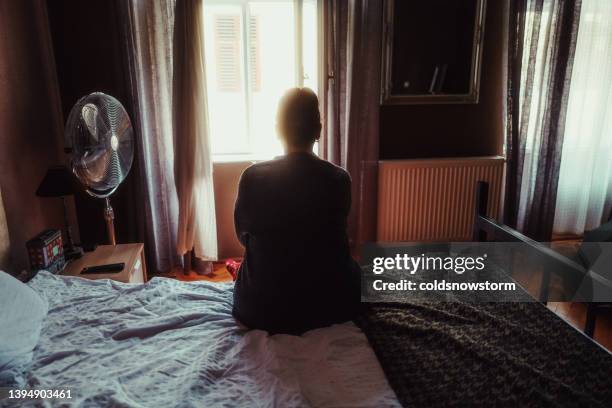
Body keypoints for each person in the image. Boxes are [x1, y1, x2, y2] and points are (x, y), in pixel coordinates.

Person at [232, 87, 360, 335]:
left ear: (278, 128)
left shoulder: (252, 177)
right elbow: (340, 238)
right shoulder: (339, 179)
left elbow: (242, 237)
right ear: (319, 130)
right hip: (331, 307)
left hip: (261, 310)